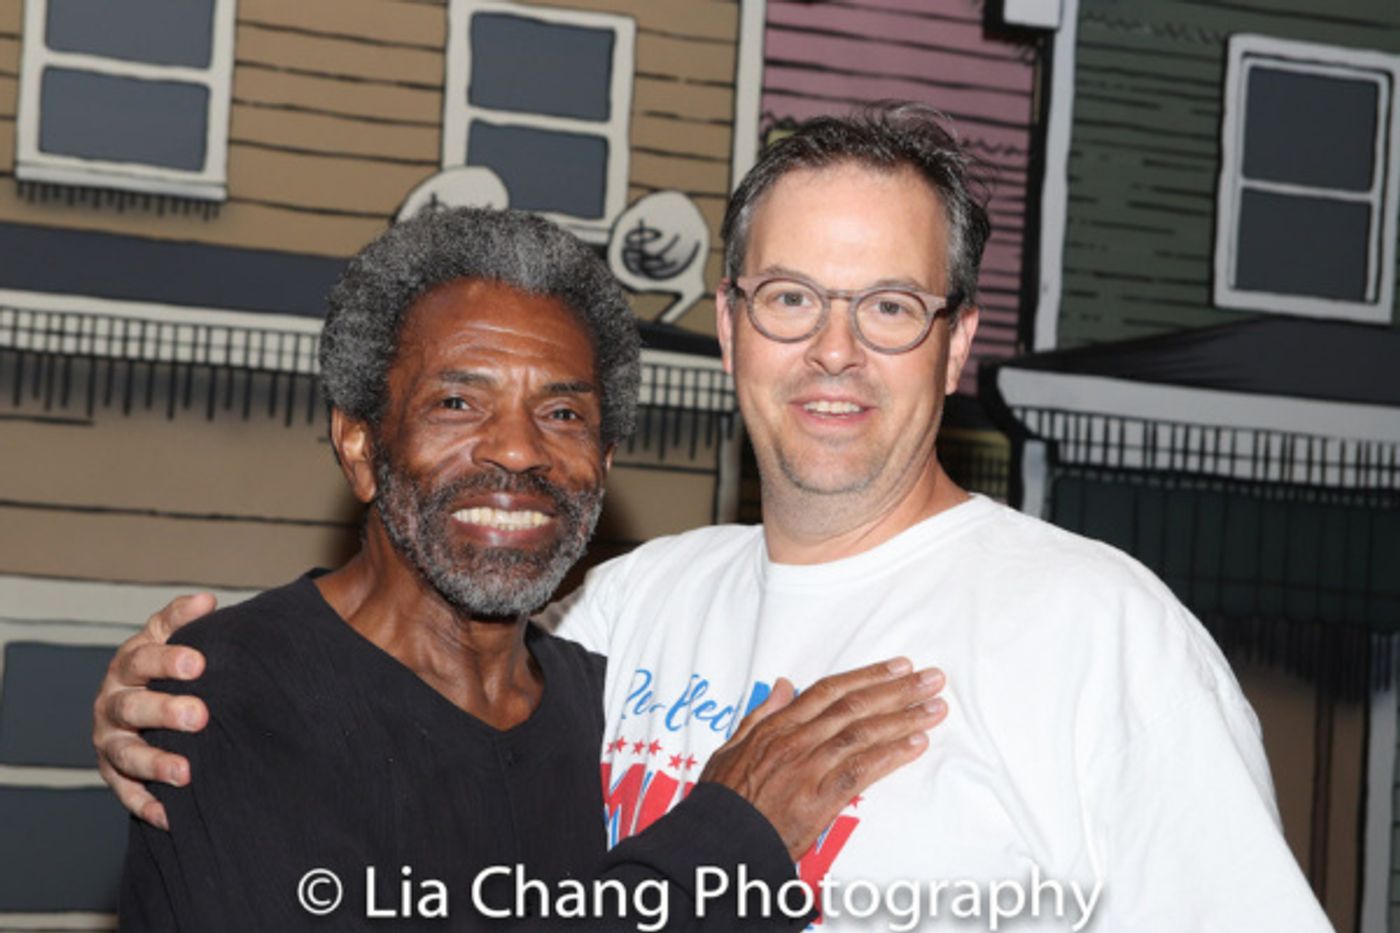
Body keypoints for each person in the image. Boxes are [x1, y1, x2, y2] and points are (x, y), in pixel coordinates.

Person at [97, 104, 1330, 930]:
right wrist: (182, 698)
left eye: (889, 306)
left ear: (954, 346)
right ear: (731, 329)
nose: (834, 351)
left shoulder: (1098, 633)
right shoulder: (617, 608)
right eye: (791, 298)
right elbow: (396, 703)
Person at [114, 206, 948, 932]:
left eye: (562, 411)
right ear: (361, 446)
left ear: (603, 463)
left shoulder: (611, 706)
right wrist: (733, 838)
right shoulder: (228, 694)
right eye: (456, 402)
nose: (518, 448)